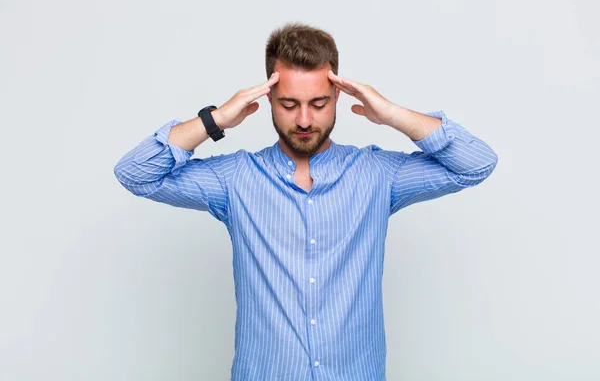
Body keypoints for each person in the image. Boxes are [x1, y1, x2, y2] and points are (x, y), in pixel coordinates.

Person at [114, 22, 498, 381]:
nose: (303, 120)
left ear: (336, 96)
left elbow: (475, 165)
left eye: (317, 103)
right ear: (268, 100)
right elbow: (135, 173)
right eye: (288, 104)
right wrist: (215, 120)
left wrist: (393, 115)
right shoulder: (235, 179)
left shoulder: (377, 175)